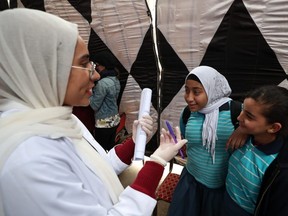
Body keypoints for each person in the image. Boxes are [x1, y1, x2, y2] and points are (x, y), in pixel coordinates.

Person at [0, 8, 187, 216]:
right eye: (84, 63)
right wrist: (157, 163)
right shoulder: (30, 159)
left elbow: (95, 167)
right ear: (44, 68)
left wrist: (134, 143)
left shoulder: (57, 118)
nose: (95, 75)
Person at [167, 66, 247, 216]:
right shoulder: (188, 113)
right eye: (186, 90)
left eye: (196, 92)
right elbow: (187, 142)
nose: (189, 98)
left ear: (212, 90)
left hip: (222, 189)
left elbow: (260, 128)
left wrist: (244, 129)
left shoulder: (237, 112)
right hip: (190, 182)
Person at [222, 85, 288, 216]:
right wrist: (242, 128)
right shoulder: (247, 136)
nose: (239, 118)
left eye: (249, 116)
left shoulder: (279, 167)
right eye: (242, 110)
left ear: (274, 127)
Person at [89, 51, 121, 151]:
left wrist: (87, 92)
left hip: (103, 123)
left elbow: (94, 105)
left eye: (97, 65)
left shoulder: (102, 83)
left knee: (100, 150)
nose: (96, 68)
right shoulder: (115, 79)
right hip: (114, 120)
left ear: (103, 66)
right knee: (109, 149)